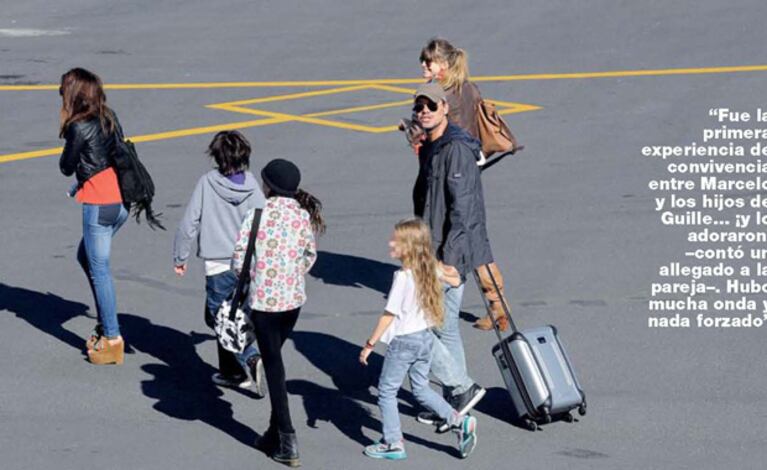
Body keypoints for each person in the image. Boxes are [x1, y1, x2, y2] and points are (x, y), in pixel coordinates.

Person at [359, 218, 478, 461]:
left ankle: (393, 443)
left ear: (409, 247)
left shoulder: (403, 277)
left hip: (404, 343)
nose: (390, 242)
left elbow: (389, 315)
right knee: (421, 389)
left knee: (386, 392)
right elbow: (456, 281)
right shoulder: (429, 269)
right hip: (425, 339)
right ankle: (460, 421)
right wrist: (450, 273)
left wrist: (370, 345)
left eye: (396, 240)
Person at [410, 83, 489, 428]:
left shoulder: (455, 149)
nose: (424, 110)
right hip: (433, 249)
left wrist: (450, 260)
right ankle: (456, 401)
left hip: (447, 253)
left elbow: (463, 208)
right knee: (445, 329)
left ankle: (460, 388)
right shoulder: (433, 145)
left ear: (445, 107)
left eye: (430, 105)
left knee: (414, 327)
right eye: (419, 106)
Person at [419, 37, 511, 332]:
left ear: (442, 66)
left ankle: (450, 301)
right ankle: (496, 305)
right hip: (471, 166)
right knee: (473, 235)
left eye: (428, 61)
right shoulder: (467, 87)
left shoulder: (444, 97)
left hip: (451, 170)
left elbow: (435, 135)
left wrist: (414, 133)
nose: (423, 66)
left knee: (459, 235)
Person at [233, 159, 320, 467]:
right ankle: (273, 431)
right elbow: (310, 254)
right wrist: (292, 274)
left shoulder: (258, 215)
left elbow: (239, 260)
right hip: (293, 302)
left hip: (264, 304)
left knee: (274, 368)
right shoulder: (302, 215)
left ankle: (287, 435)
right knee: (275, 359)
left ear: (268, 185)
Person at [173, 130, 266, 395]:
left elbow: (189, 222)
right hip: (246, 265)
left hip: (217, 266)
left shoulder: (207, 183)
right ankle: (231, 372)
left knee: (221, 318)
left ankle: (249, 357)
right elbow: (263, 223)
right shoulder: (251, 185)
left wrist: (181, 256)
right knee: (228, 314)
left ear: (216, 156)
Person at [58, 68, 129, 365]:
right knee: (85, 257)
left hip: (99, 204)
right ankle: (106, 323)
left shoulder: (78, 127)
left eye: (63, 90)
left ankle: (112, 339)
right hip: (120, 203)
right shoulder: (108, 115)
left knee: (100, 271)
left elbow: (66, 165)